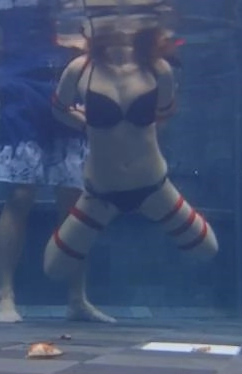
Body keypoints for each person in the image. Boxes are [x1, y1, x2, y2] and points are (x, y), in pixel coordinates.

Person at [44, 17, 220, 281]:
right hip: (100, 193)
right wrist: (86, 123)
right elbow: (59, 109)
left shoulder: (159, 70)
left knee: (208, 249)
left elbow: (161, 118)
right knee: (53, 269)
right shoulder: (80, 69)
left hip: (154, 187)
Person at [0, 0, 115, 323]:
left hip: (71, 88)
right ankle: (4, 296)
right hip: (20, 89)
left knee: (74, 201)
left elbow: (93, 36)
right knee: (20, 194)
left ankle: (77, 298)